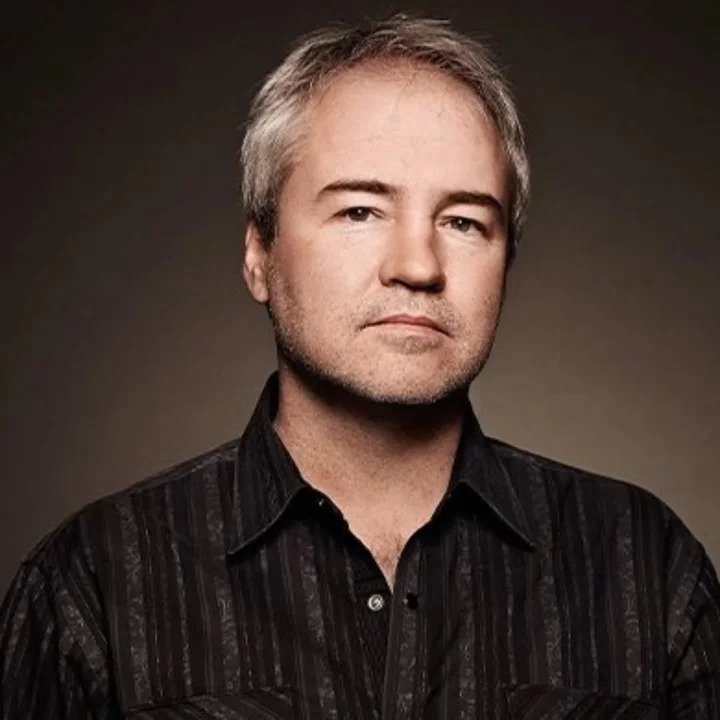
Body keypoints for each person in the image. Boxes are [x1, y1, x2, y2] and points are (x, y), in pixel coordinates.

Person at [1, 13, 718, 720]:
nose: (417, 266)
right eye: (360, 212)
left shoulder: (644, 565)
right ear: (259, 255)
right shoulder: (93, 583)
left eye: (464, 221)